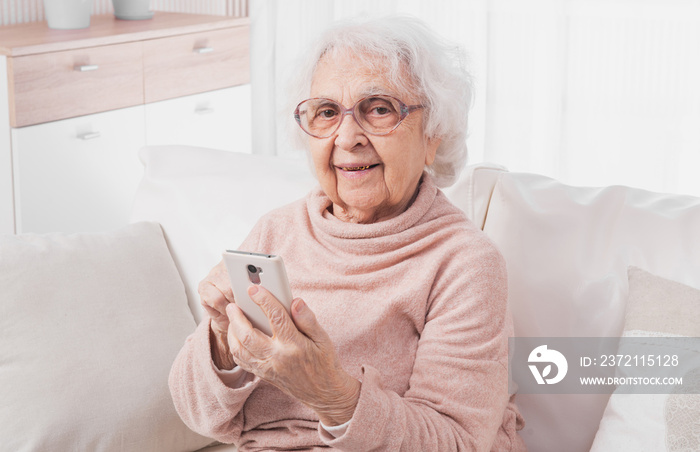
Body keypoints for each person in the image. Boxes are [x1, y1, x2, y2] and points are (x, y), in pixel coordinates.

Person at [169, 15, 527, 451]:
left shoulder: (464, 263)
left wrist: (330, 394)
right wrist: (222, 341)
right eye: (325, 112)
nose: (347, 136)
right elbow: (195, 415)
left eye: (379, 109)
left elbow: (454, 441)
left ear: (434, 134)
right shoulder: (277, 230)